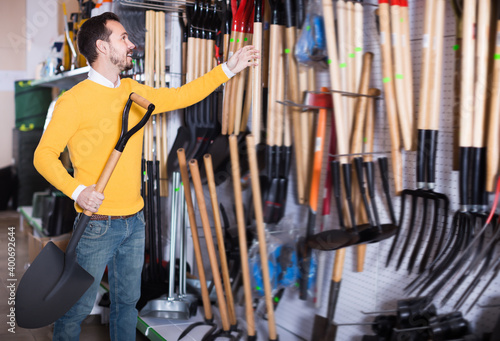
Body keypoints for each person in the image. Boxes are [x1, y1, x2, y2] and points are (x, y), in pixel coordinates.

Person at [33, 12, 259, 341]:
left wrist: (229, 68)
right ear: (101, 46)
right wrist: (77, 190)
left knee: (127, 303)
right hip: (97, 223)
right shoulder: (73, 102)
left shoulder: (133, 92)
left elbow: (182, 96)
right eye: (123, 38)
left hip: (134, 221)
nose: (131, 43)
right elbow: (43, 156)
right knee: (77, 308)